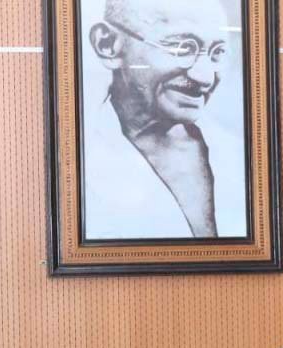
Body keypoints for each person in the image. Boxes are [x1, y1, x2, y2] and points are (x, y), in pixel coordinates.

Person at [82, 0, 247, 240]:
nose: (205, 78)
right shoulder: (75, 162)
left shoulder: (240, 155)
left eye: (217, 53)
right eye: (182, 48)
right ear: (107, 45)